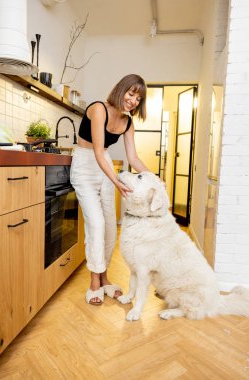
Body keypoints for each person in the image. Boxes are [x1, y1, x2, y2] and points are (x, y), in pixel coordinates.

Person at [70, 74, 150, 305]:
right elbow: (96, 151)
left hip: (104, 167)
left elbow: (133, 158)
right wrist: (116, 181)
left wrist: (153, 178)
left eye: (138, 98)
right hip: (85, 166)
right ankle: (94, 281)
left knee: (109, 227)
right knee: (95, 224)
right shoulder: (98, 109)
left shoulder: (127, 122)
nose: (134, 100)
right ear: (121, 90)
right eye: (131, 93)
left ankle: (105, 278)